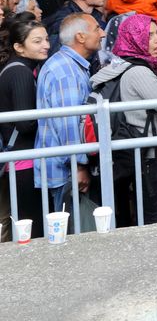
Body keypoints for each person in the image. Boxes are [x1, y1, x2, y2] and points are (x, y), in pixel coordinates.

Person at [90, 13, 157, 226]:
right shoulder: (139, 72)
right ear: (134, 38)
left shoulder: (118, 66)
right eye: (149, 35)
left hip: (134, 152)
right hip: (151, 154)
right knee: (156, 216)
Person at [34, 14, 104, 213]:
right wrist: (78, 167)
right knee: (72, 234)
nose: (103, 33)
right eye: (97, 28)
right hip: (67, 173)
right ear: (80, 37)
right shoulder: (66, 71)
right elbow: (68, 125)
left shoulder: (70, 64)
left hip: (65, 170)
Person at [0, 14, 48, 241]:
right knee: (31, 227)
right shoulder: (20, 72)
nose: (46, 45)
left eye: (46, 39)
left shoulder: (16, 68)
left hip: (19, 160)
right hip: (23, 162)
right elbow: (25, 122)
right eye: (37, 42)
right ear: (19, 46)